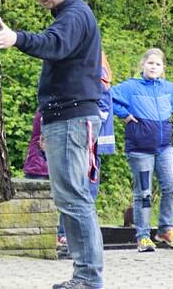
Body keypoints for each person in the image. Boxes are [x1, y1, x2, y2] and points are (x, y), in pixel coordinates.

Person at [0, 0, 104, 289]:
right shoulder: (68, 15)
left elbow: (53, 44)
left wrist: (16, 39)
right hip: (63, 117)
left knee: (75, 199)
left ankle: (88, 278)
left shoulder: (74, 15)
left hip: (71, 116)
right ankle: (85, 276)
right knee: (71, 198)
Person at [111, 48, 173, 253]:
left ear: (163, 69)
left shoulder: (168, 89)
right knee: (144, 193)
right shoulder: (130, 87)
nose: (154, 67)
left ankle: (165, 229)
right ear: (142, 65)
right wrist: (124, 115)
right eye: (150, 63)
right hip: (140, 150)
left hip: (164, 148)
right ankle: (143, 236)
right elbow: (107, 96)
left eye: (158, 64)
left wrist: (168, 110)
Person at [56, 52, 116, 249]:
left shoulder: (96, 63)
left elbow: (103, 105)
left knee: (85, 188)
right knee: (75, 187)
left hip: (88, 138)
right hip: (77, 135)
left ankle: (75, 237)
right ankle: (66, 234)